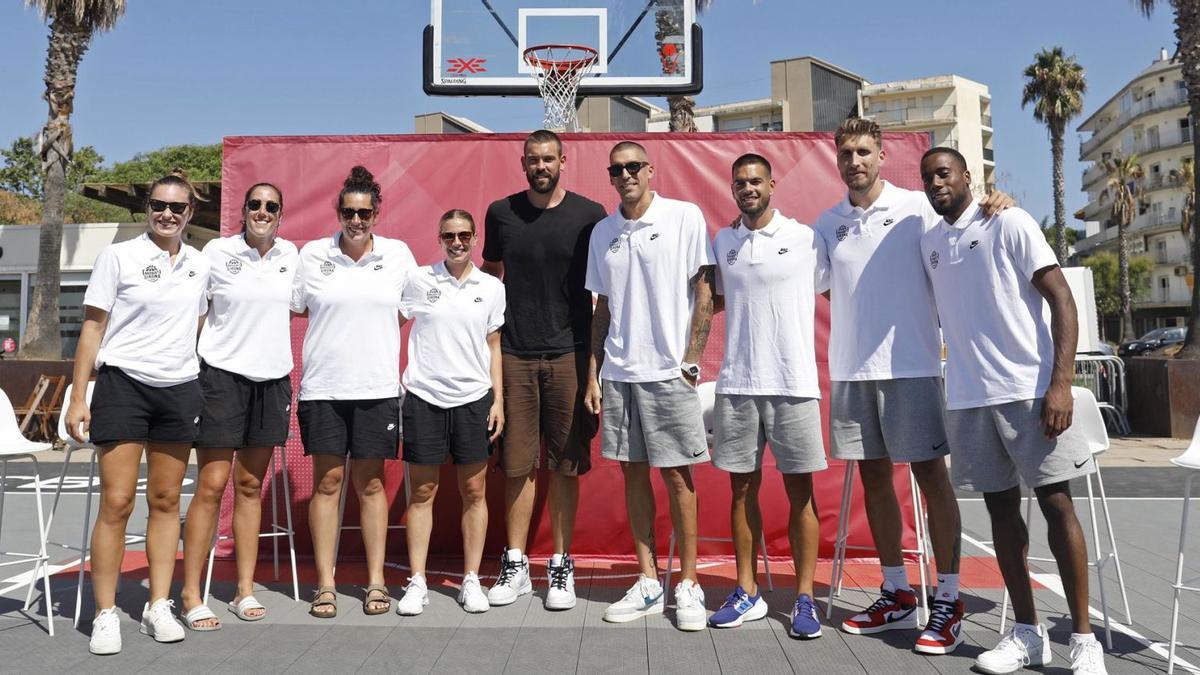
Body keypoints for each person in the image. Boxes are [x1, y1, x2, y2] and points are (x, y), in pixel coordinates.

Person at [814, 117, 1010, 654]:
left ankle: (947, 598)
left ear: (880, 156)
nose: (855, 160)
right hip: (854, 372)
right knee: (876, 479)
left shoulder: (917, 207)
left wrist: (1000, 202)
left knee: (929, 479)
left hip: (914, 369)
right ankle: (897, 591)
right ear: (838, 159)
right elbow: (830, 289)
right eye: (846, 152)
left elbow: (967, 222)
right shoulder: (826, 224)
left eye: (864, 151)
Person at [919, 147, 1106, 675]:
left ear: (967, 177)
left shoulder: (1010, 220)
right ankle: (1027, 632)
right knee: (1001, 513)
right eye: (928, 176)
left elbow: (1062, 299)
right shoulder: (930, 240)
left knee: (1056, 506)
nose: (936, 183)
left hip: (1028, 391)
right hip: (969, 399)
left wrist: (1061, 384)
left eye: (944, 173)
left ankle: (1084, 638)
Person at [66, 170, 211, 655]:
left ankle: (158, 605)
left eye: (177, 206)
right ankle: (105, 612)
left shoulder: (199, 264)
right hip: (123, 385)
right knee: (118, 502)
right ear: (147, 208)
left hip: (179, 389)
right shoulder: (118, 256)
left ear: (190, 212)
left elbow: (200, 323)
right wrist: (79, 395)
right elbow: (92, 328)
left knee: (167, 501)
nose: (167, 213)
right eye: (158, 205)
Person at [585, 141, 716, 632]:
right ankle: (647, 579)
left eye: (633, 166)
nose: (625, 175)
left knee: (680, 480)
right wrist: (592, 373)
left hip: (669, 375)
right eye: (617, 169)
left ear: (650, 170)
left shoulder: (684, 217)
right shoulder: (603, 232)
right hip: (619, 374)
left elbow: (704, 288)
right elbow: (602, 307)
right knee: (633, 475)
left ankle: (689, 584)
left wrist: (690, 361)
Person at [480, 129, 606, 610]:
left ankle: (560, 565)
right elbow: (490, 276)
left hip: (570, 354)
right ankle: (515, 564)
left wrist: (593, 365)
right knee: (517, 465)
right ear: (523, 162)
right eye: (533, 159)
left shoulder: (590, 216)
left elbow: (603, 291)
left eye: (549, 158)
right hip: (514, 353)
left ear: (563, 161)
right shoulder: (501, 213)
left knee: (565, 464)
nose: (541, 166)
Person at [705, 154, 829, 639]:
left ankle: (804, 599)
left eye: (756, 181)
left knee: (801, 493)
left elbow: (843, 286)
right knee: (740, 491)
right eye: (740, 182)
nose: (748, 188)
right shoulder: (723, 241)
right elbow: (708, 300)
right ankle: (747, 591)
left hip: (794, 384)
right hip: (737, 385)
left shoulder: (805, 238)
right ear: (732, 188)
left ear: (773, 184)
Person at [291, 165, 417, 619]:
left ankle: (376, 581)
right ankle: (325, 584)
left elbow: (407, 312)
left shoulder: (399, 255)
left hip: (377, 388)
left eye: (364, 212)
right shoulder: (311, 255)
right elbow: (296, 306)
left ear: (377, 212)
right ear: (338, 212)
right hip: (323, 388)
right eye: (348, 211)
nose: (356, 220)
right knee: (328, 482)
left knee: (371, 483)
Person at [179, 183, 298, 630]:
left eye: (271, 206)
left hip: (272, 383)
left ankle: (243, 591)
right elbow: (193, 311)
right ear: (244, 211)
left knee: (250, 488)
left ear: (280, 213)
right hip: (220, 380)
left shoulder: (292, 257)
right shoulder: (215, 252)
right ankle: (192, 595)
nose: (262, 211)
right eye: (255, 205)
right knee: (211, 486)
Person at [395, 209, 505, 615]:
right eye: (448, 235)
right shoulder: (419, 280)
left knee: (473, 492)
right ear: (439, 238)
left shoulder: (491, 287)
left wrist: (499, 399)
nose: (456, 242)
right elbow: (390, 322)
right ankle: (418, 581)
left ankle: (471, 580)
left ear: (475, 238)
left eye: (463, 235)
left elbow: (494, 345)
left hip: (474, 399)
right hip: (424, 397)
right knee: (422, 492)